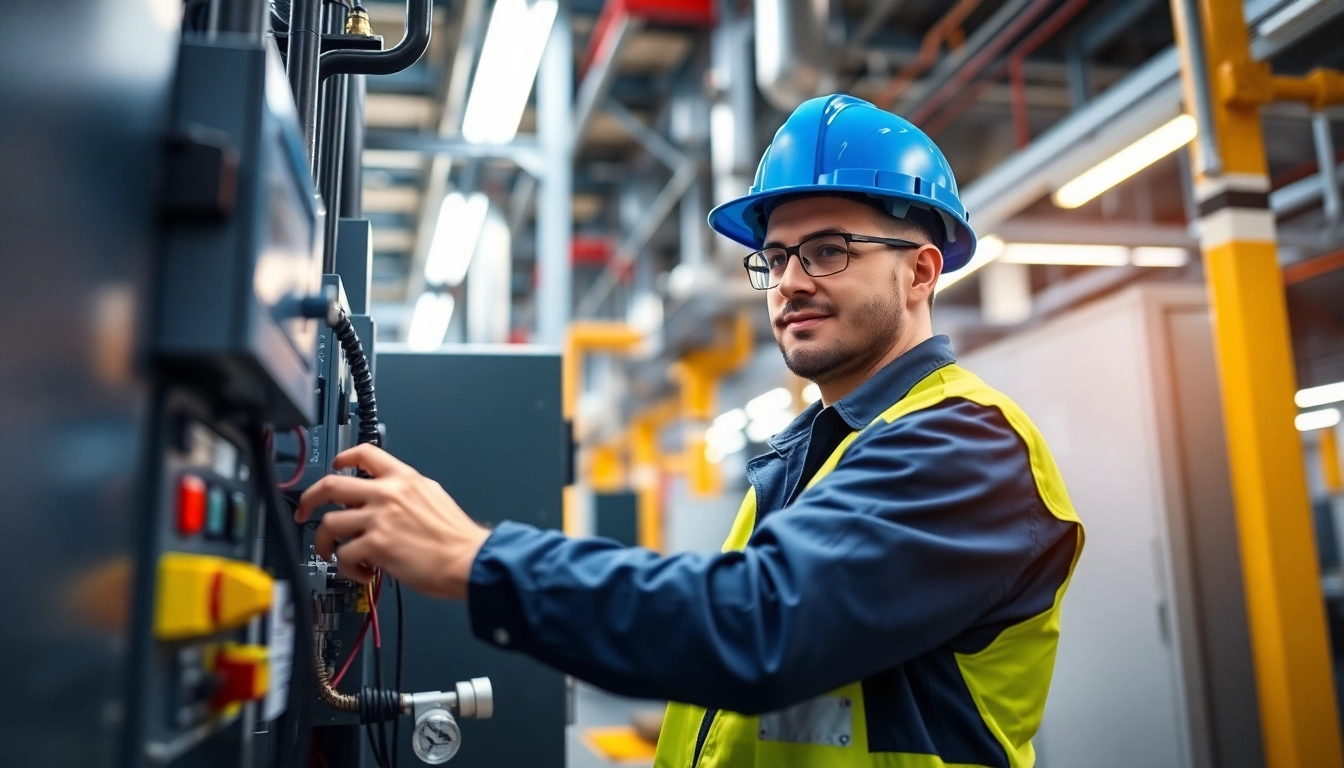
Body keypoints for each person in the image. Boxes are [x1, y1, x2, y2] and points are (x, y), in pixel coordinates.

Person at [296, 93, 1084, 768]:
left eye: (828, 251)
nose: (789, 283)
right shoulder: (818, 451)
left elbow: (757, 627)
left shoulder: (964, 446)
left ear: (920, 270)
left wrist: (475, 556)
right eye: (773, 259)